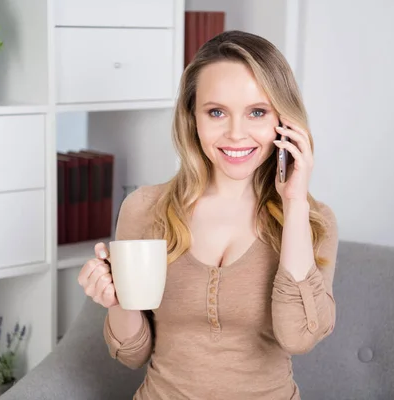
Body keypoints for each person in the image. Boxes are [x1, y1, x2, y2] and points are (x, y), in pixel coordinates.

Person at [77, 30, 339, 400]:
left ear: (284, 120)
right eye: (216, 112)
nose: (235, 134)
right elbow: (131, 354)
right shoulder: (145, 209)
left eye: (257, 112)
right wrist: (118, 301)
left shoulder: (313, 221)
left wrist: (294, 204)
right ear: (192, 117)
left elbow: (299, 337)